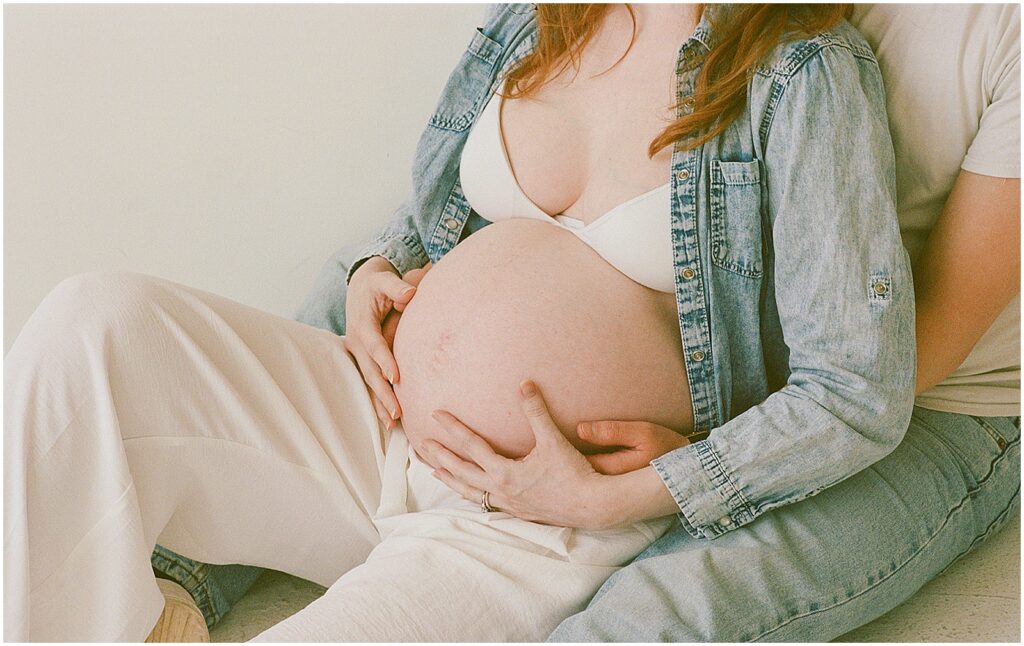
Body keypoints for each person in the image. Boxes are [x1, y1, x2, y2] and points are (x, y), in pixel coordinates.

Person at [5, 3, 917, 642]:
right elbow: (449, 212)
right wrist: (375, 271)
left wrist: (631, 495)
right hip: (379, 419)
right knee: (93, 322)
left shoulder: (804, 73)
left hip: (531, 521)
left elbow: (856, 391)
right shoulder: (543, 13)